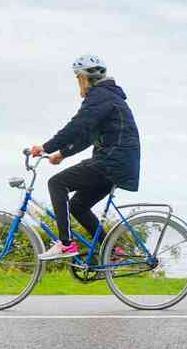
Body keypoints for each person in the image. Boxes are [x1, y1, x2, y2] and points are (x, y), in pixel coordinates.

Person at [30, 55, 141, 260]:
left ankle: (65, 244)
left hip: (111, 162)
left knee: (57, 183)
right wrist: (62, 154)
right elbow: (87, 136)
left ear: (84, 78)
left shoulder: (100, 96)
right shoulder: (108, 97)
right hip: (119, 164)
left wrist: (44, 147)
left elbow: (76, 127)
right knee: (77, 206)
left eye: (77, 78)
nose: (77, 83)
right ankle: (112, 250)